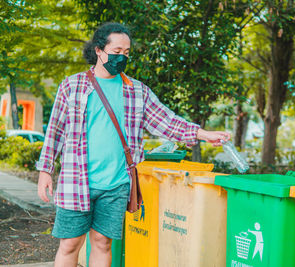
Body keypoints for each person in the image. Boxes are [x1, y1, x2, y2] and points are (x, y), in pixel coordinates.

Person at [36, 22, 230, 267]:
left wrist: (204, 134)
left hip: (116, 184)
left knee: (103, 243)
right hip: (76, 180)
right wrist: (45, 171)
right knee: (70, 244)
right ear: (99, 50)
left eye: (126, 53)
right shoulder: (72, 86)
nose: (122, 57)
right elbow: (55, 130)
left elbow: (167, 121)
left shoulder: (137, 91)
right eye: (116, 52)